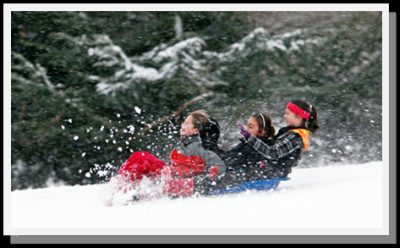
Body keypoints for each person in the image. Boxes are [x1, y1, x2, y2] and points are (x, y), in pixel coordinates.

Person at [109, 110, 226, 202]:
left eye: (186, 123)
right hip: (169, 180)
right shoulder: (183, 145)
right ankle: (122, 189)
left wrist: (199, 183)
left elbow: (219, 168)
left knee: (142, 157)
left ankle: (123, 193)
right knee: (139, 156)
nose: (182, 125)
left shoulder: (203, 150)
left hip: (177, 185)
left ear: (195, 130)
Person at [237, 100, 320, 180]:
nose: (284, 116)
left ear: (298, 117)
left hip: (271, 172)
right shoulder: (289, 132)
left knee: (236, 166)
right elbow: (271, 145)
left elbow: (272, 152)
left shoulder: (295, 137)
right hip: (266, 167)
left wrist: (251, 139)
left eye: (288, 113)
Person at [218, 113, 276, 186]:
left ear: (261, 132)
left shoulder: (260, 149)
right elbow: (230, 155)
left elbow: (236, 160)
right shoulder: (246, 144)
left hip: (245, 178)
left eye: (250, 127)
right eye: (247, 126)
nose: (247, 129)